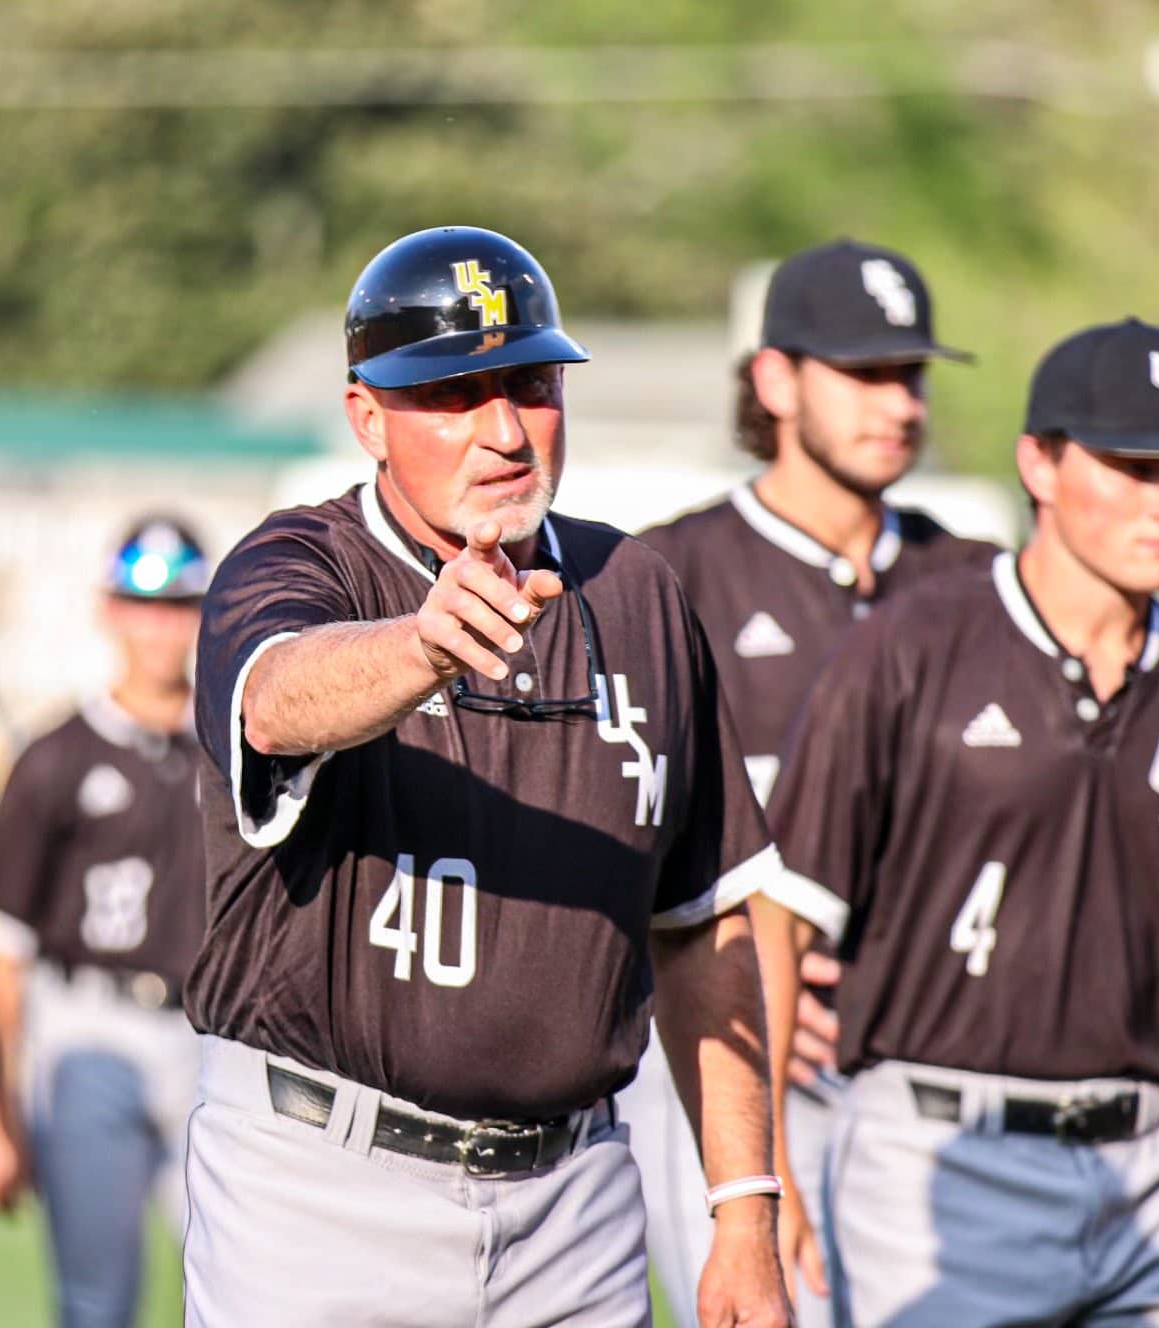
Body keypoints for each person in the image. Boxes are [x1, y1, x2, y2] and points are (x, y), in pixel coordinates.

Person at [182, 225, 790, 1327]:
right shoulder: (298, 562)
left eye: (531, 384)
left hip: (575, 1200)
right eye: (455, 393)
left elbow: (702, 921)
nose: (505, 430)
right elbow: (273, 699)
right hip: (323, 1183)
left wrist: (743, 1208)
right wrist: (418, 646)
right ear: (367, 414)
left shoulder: (639, 591)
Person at [761, 318, 1159, 1325]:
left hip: (1157, 1173)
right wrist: (762, 1172)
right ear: (1039, 460)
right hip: (937, 1164)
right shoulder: (911, 650)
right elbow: (776, 918)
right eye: (1133, 465)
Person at [632, 239, 993, 1324]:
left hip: (920, 1062)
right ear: (777, 380)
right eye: (866, 372)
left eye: (912, 374)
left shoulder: (974, 581)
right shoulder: (671, 575)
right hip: (719, 1044)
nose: (899, 401)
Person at [0, 516, 210, 1328]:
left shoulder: (239, 746)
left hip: (212, 1045)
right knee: (95, 1302)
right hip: (86, 1031)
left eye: (179, 605)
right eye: (144, 604)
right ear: (109, 610)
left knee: (238, 1293)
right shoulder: (57, 756)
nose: (160, 626)